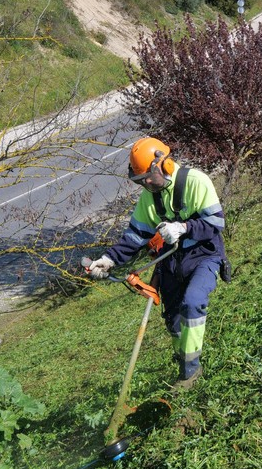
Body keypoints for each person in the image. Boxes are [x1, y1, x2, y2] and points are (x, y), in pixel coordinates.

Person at [83, 137, 228, 390]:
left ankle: (190, 371)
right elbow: (135, 237)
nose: (146, 184)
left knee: (192, 303)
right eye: (140, 181)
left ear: (164, 164)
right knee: (173, 319)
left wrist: (184, 228)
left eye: (148, 177)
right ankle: (183, 354)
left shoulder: (196, 181)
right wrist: (108, 260)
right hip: (170, 262)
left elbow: (216, 224)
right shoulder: (148, 199)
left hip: (205, 254)